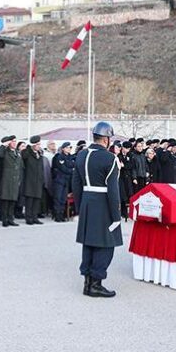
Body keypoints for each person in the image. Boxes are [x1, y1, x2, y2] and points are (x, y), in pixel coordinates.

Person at [71, 122, 121, 298]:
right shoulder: (110, 159)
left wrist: (80, 207)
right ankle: (96, 284)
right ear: (107, 139)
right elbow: (113, 190)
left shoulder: (81, 155)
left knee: (89, 242)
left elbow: (76, 184)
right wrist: (116, 216)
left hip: (86, 201)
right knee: (105, 244)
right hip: (103, 203)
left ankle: (87, 282)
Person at [0, 135, 23, 227]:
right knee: (5, 201)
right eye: (12, 141)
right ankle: (4, 219)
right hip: (5, 180)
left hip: (14, 180)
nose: (14, 143)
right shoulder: (4, 152)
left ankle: (11, 218)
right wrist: (4, 145)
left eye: (15, 141)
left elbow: (20, 167)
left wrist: (19, 179)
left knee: (12, 201)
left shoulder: (17, 153)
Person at [22, 136, 45, 225]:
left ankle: (35, 217)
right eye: (38, 144)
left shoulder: (39, 154)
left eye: (39, 144)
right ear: (33, 144)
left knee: (36, 200)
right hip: (29, 181)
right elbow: (24, 156)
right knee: (29, 200)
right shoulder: (27, 152)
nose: (39, 146)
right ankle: (28, 217)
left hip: (38, 181)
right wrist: (29, 147)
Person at [51, 142, 73, 222]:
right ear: (63, 148)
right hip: (59, 180)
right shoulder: (59, 157)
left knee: (63, 199)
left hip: (66, 180)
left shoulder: (71, 157)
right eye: (67, 147)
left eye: (70, 147)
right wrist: (71, 170)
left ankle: (61, 214)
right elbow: (63, 168)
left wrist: (70, 169)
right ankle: (57, 215)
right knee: (58, 198)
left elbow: (73, 166)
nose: (69, 149)